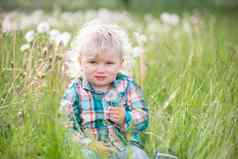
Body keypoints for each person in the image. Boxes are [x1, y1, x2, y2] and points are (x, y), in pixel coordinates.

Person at [59, 21, 149, 159]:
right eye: (93, 62)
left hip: (124, 147)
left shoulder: (127, 86)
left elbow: (143, 119)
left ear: (120, 64)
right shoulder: (75, 90)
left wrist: (127, 117)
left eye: (109, 63)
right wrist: (88, 143)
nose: (101, 69)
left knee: (137, 155)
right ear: (80, 62)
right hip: (91, 149)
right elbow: (65, 126)